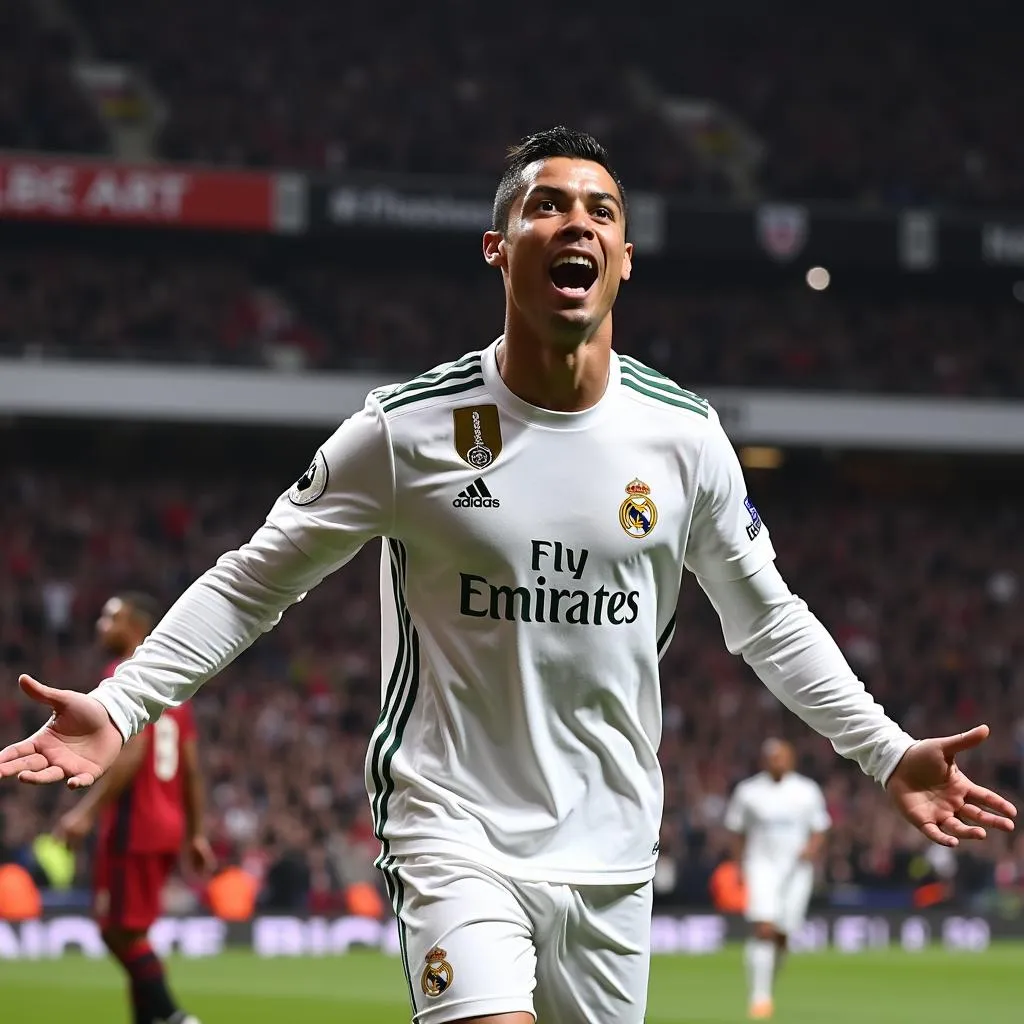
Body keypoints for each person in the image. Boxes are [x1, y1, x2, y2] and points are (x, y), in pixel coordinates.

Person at [0, 127, 1016, 1024]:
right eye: (547, 204)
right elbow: (250, 580)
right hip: (453, 828)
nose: (576, 221)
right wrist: (124, 702)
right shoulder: (406, 429)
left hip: (612, 851)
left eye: (600, 210)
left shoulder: (685, 438)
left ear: (623, 258)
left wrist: (884, 752)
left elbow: (770, 622)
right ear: (500, 248)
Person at [53, 594, 213, 1024]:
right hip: (167, 825)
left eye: (112, 617)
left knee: (116, 931)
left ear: (138, 628)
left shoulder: (122, 677)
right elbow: (192, 768)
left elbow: (134, 749)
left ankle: (175, 1017)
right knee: (133, 930)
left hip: (134, 824)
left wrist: (85, 813)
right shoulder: (177, 688)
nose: (102, 625)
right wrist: (195, 833)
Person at [724, 738, 830, 1019]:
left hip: (796, 871)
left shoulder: (807, 791)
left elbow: (820, 828)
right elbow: (736, 830)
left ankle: (767, 979)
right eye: (771, 757)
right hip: (761, 866)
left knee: (782, 935)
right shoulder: (748, 792)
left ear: (791, 759)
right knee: (764, 928)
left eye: (781, 757)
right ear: (764, 760)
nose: (776, 762)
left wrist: (811, 848)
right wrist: (738, 866)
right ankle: (760, 998)